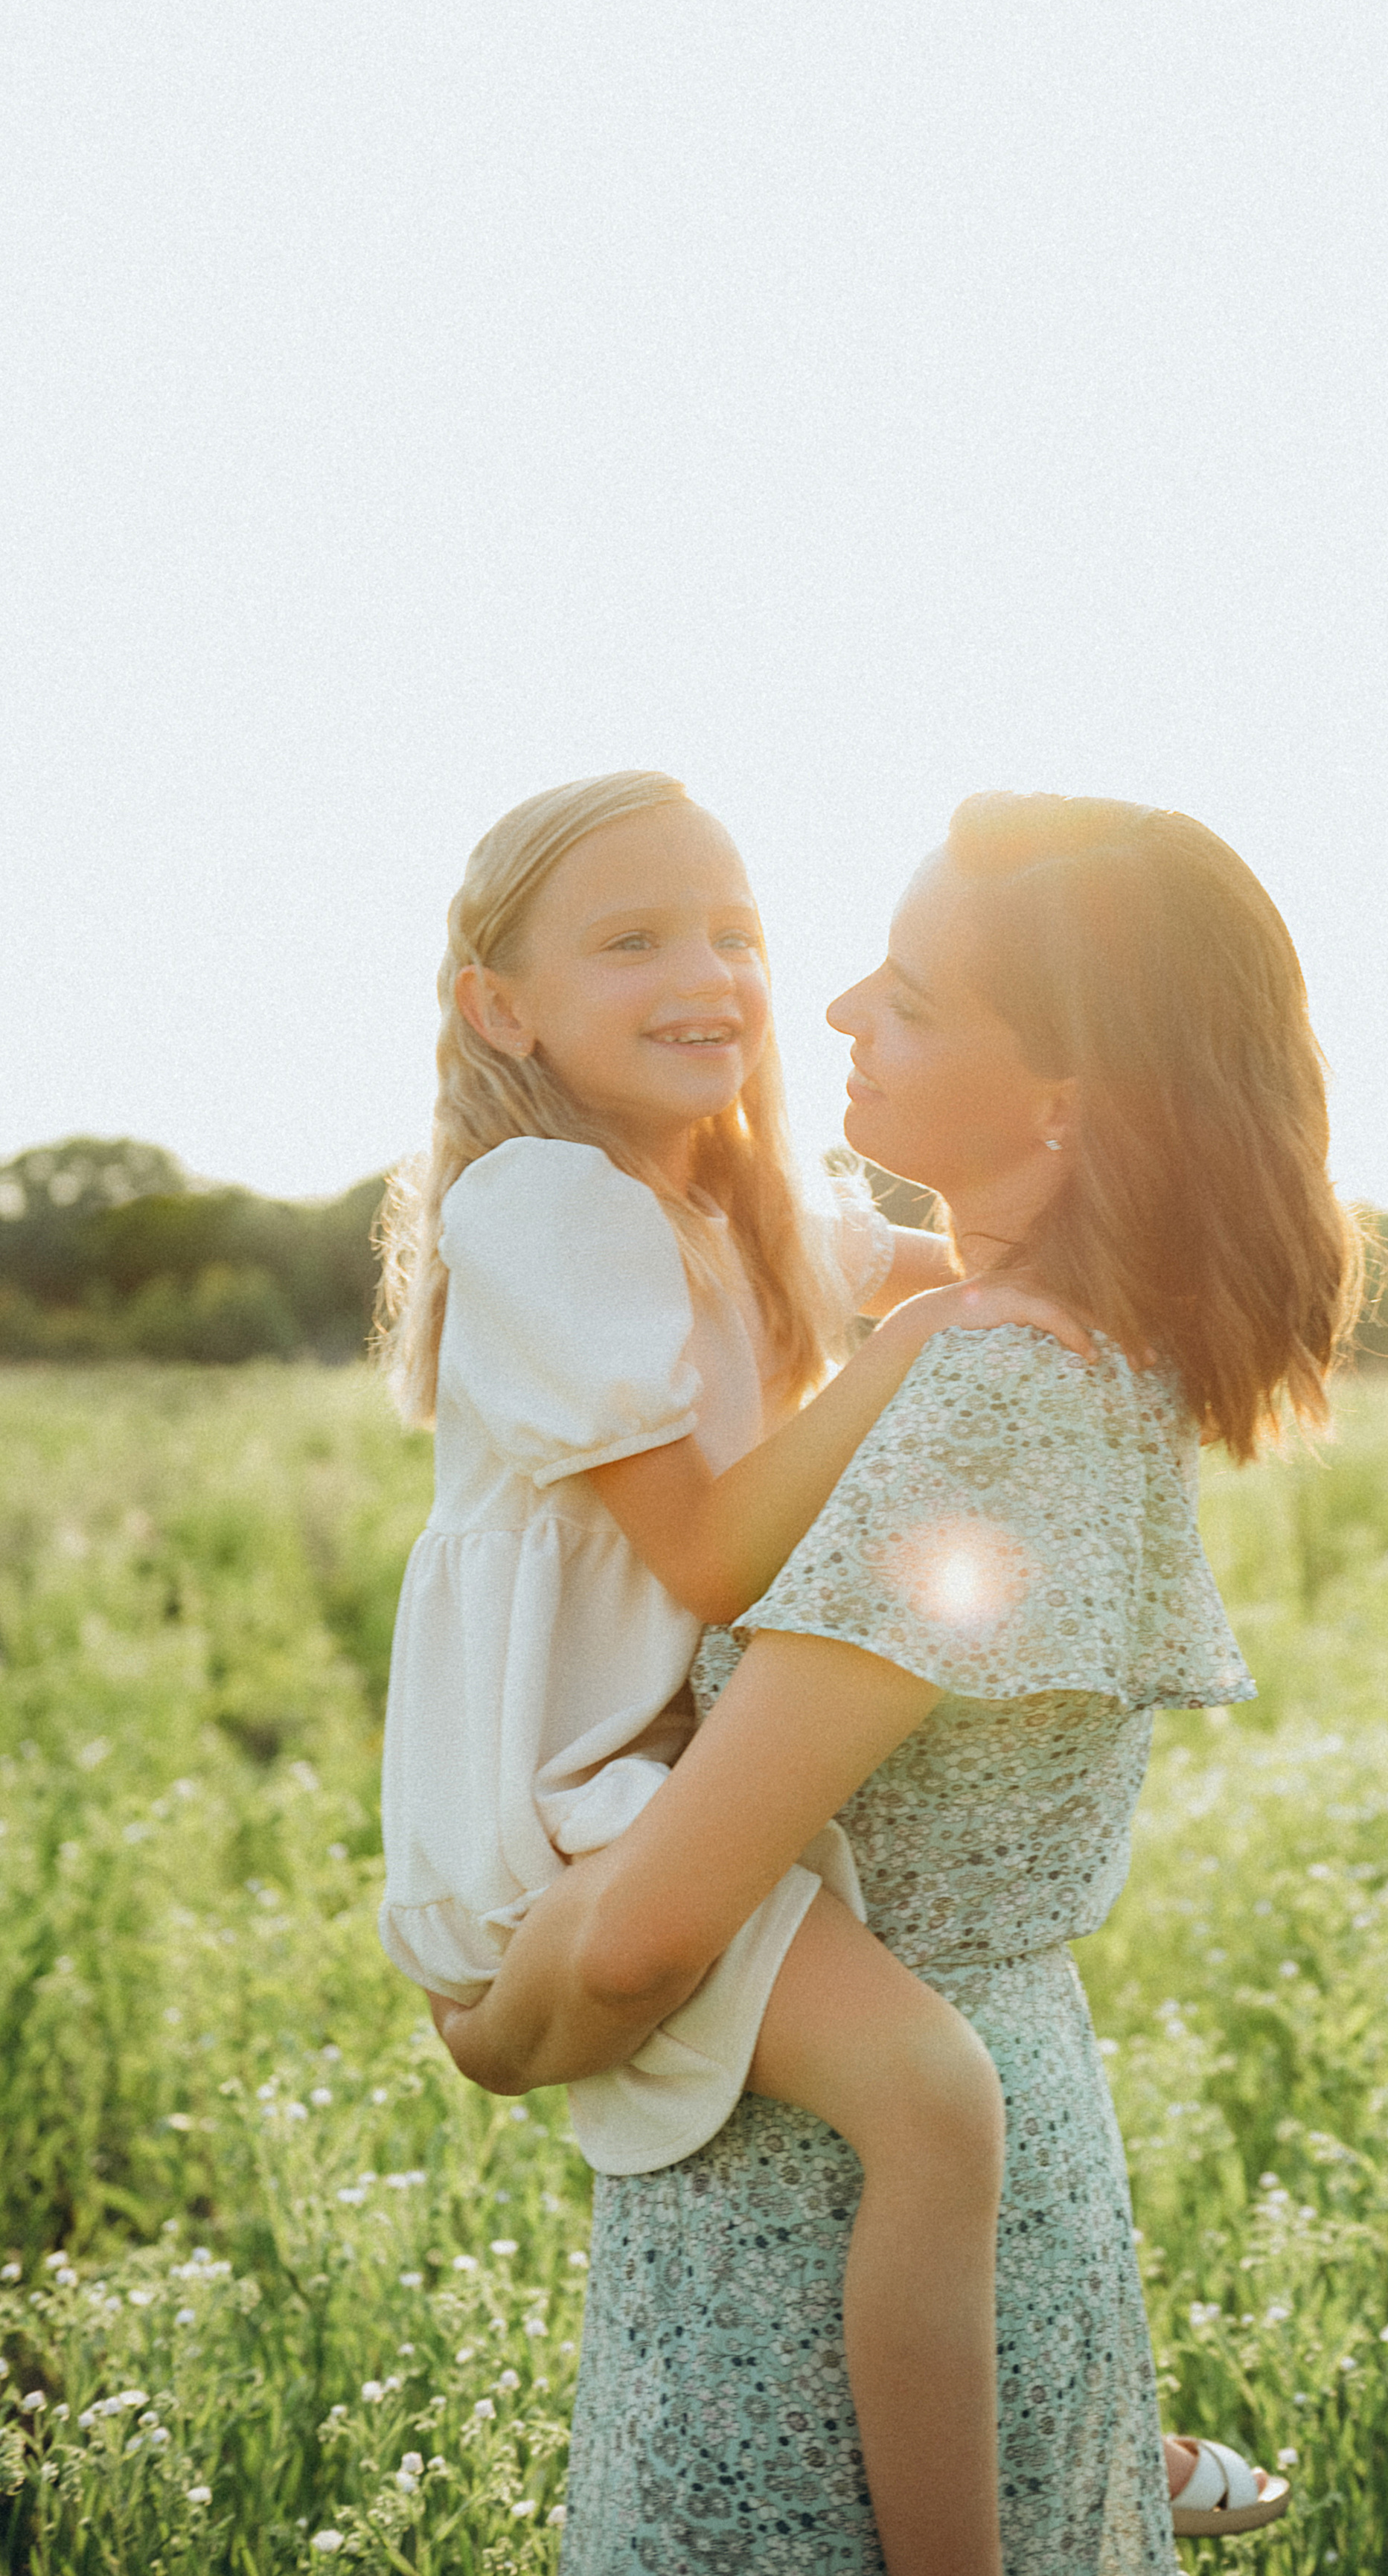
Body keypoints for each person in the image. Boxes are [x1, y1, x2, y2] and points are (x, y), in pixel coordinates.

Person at [438, 791, 1362, 2573]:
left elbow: (645, 1937)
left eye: (915, 996)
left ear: (1066, 1101)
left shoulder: (991, 1387)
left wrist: (491, 2024)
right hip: (983, 2156)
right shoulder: (1077, 1338)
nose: (840, 1010)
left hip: (824, 2222)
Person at [376, 769, 1098, 2576]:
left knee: (943, 2105)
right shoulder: (539, 1203)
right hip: (566, 1815)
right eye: (632, 940)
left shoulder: (736, 1191)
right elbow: (704, 1549)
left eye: (735, 931)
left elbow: (949, 1270)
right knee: (931, 2100)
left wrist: (1065, 1286)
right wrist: (922, 1340)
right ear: (503, 1006)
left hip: (667, 1785)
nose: (707, 971)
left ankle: (1065, 2426)